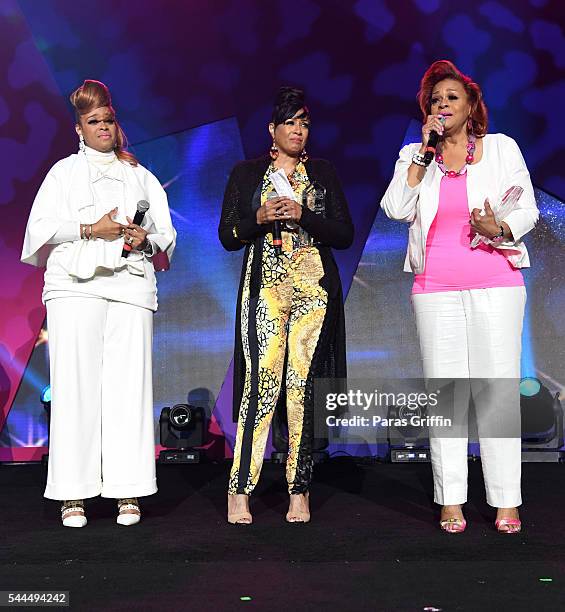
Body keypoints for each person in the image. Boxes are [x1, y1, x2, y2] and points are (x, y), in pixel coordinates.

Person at [381, 60, 538, 534]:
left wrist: (501, 226)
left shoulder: (500, 149)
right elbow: (394, 208)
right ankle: (450, 498)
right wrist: (421, 160)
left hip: (496, 282)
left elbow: (527, 205)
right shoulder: (415, 154)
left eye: (451, 98)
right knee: (446, 395)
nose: (442, 105)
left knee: (494, 392)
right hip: (434, 289)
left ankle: (506, 500)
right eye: (435, 100)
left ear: (471, 107)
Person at [21, 80, 176, 527]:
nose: (103, 127)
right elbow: (40, 231)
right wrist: (92, 229)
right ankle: (74, 493)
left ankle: (128, 490)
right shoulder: (63, 174)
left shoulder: (139, 176)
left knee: (129, 388)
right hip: (75, 285)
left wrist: (145, 238)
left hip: (129, 285)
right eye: (94, 122)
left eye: (108, 120)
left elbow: (167, 235)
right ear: (79, 129)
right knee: (75, 388)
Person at [219, 87, 353, 524]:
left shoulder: (324, 173)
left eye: (305, 123)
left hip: (314, 289)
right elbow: (227, 236)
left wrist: (303, 215)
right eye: (290, 123)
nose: (298, 130)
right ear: (272, 130)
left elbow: (343, 234)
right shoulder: (247, 174)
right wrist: (257, 219)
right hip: (265, 289)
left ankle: (300, 489)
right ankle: (239, 488)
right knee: (262, 386)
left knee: (301, 388)